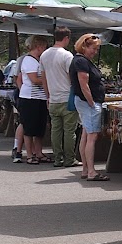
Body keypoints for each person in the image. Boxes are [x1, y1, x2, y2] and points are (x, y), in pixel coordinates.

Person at [70, 34, 109, 181]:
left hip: (84, 102)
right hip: (87, 103)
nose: (95, 52)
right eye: (93, 48)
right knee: (92, 137)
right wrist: (91, 102)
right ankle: (92, 172)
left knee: (86, 135)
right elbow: (84, 84)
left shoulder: (80, 60)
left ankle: (86, 169)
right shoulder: (81, 62)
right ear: (84, 46)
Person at [39, 27, 78, 169]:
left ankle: (57, 158)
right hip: (67, 97)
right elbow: (71, 76)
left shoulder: (44, 55)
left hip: (53, 98)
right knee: (69, 131)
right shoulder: (67, 55)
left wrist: (47, 95)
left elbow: (43, 78)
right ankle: (69, 158)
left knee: (55, 130)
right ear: (66, 38)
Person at [16, 35, 51, 165]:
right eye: (44, 47)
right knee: (29, 127)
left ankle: (39, 152)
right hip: (30, 98)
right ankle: (30, 154)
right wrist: (49, 80)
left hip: (40, 97)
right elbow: (34, 79)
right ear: (38, 47)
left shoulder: (39, 61)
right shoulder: (28, 60)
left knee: (40, 127)